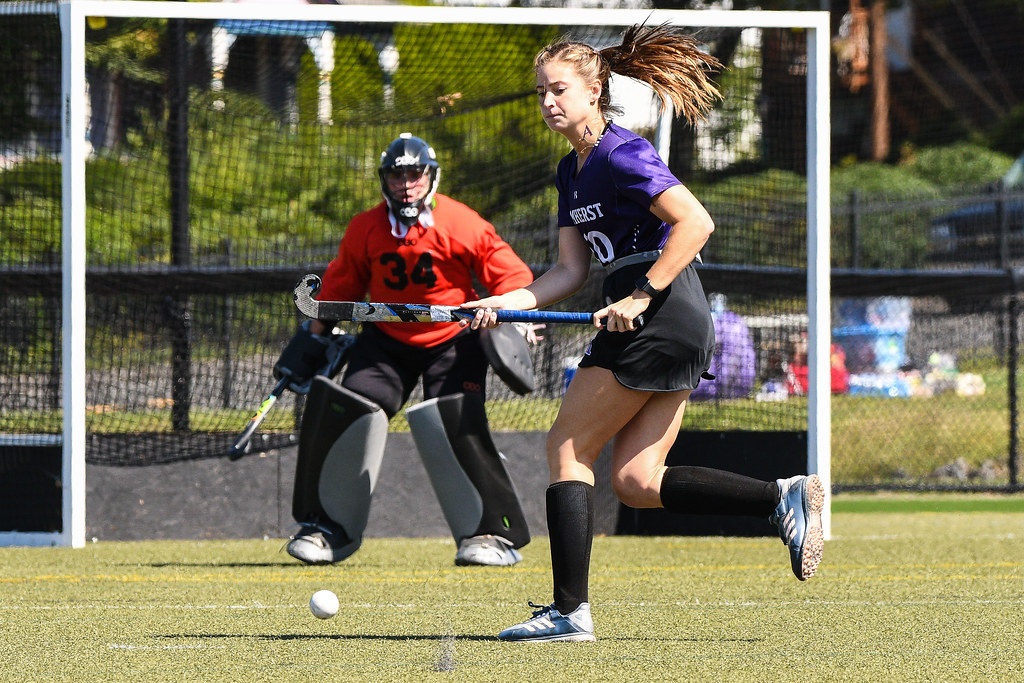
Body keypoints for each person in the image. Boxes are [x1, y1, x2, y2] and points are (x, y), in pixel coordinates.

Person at [464, 24, 824, 641]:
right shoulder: (570, 171)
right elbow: (571, 271)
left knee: (568, 449)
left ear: (595, 91)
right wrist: (507, 302)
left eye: (560, 90)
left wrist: (641, 293)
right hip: (660, 318)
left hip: (662, 312)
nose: (549, 102)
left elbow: (696, 223)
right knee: (636, 484)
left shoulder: (621, 153)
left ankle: (569, 613)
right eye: (542, 93)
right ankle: (778, 497)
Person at [275, 133, 537, 568]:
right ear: (385, 180)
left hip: (452, 340)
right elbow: (339, 289)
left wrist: (515, 316)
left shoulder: (461, 221)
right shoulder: (365, 227)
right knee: (347, 409)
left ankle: (488, 533)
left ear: (430, 176)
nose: (406, 184)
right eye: (397, 175)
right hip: (386, 342)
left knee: (454, 417)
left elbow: (510, 274)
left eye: (414, 174)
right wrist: (312, 338)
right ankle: (327, 529)